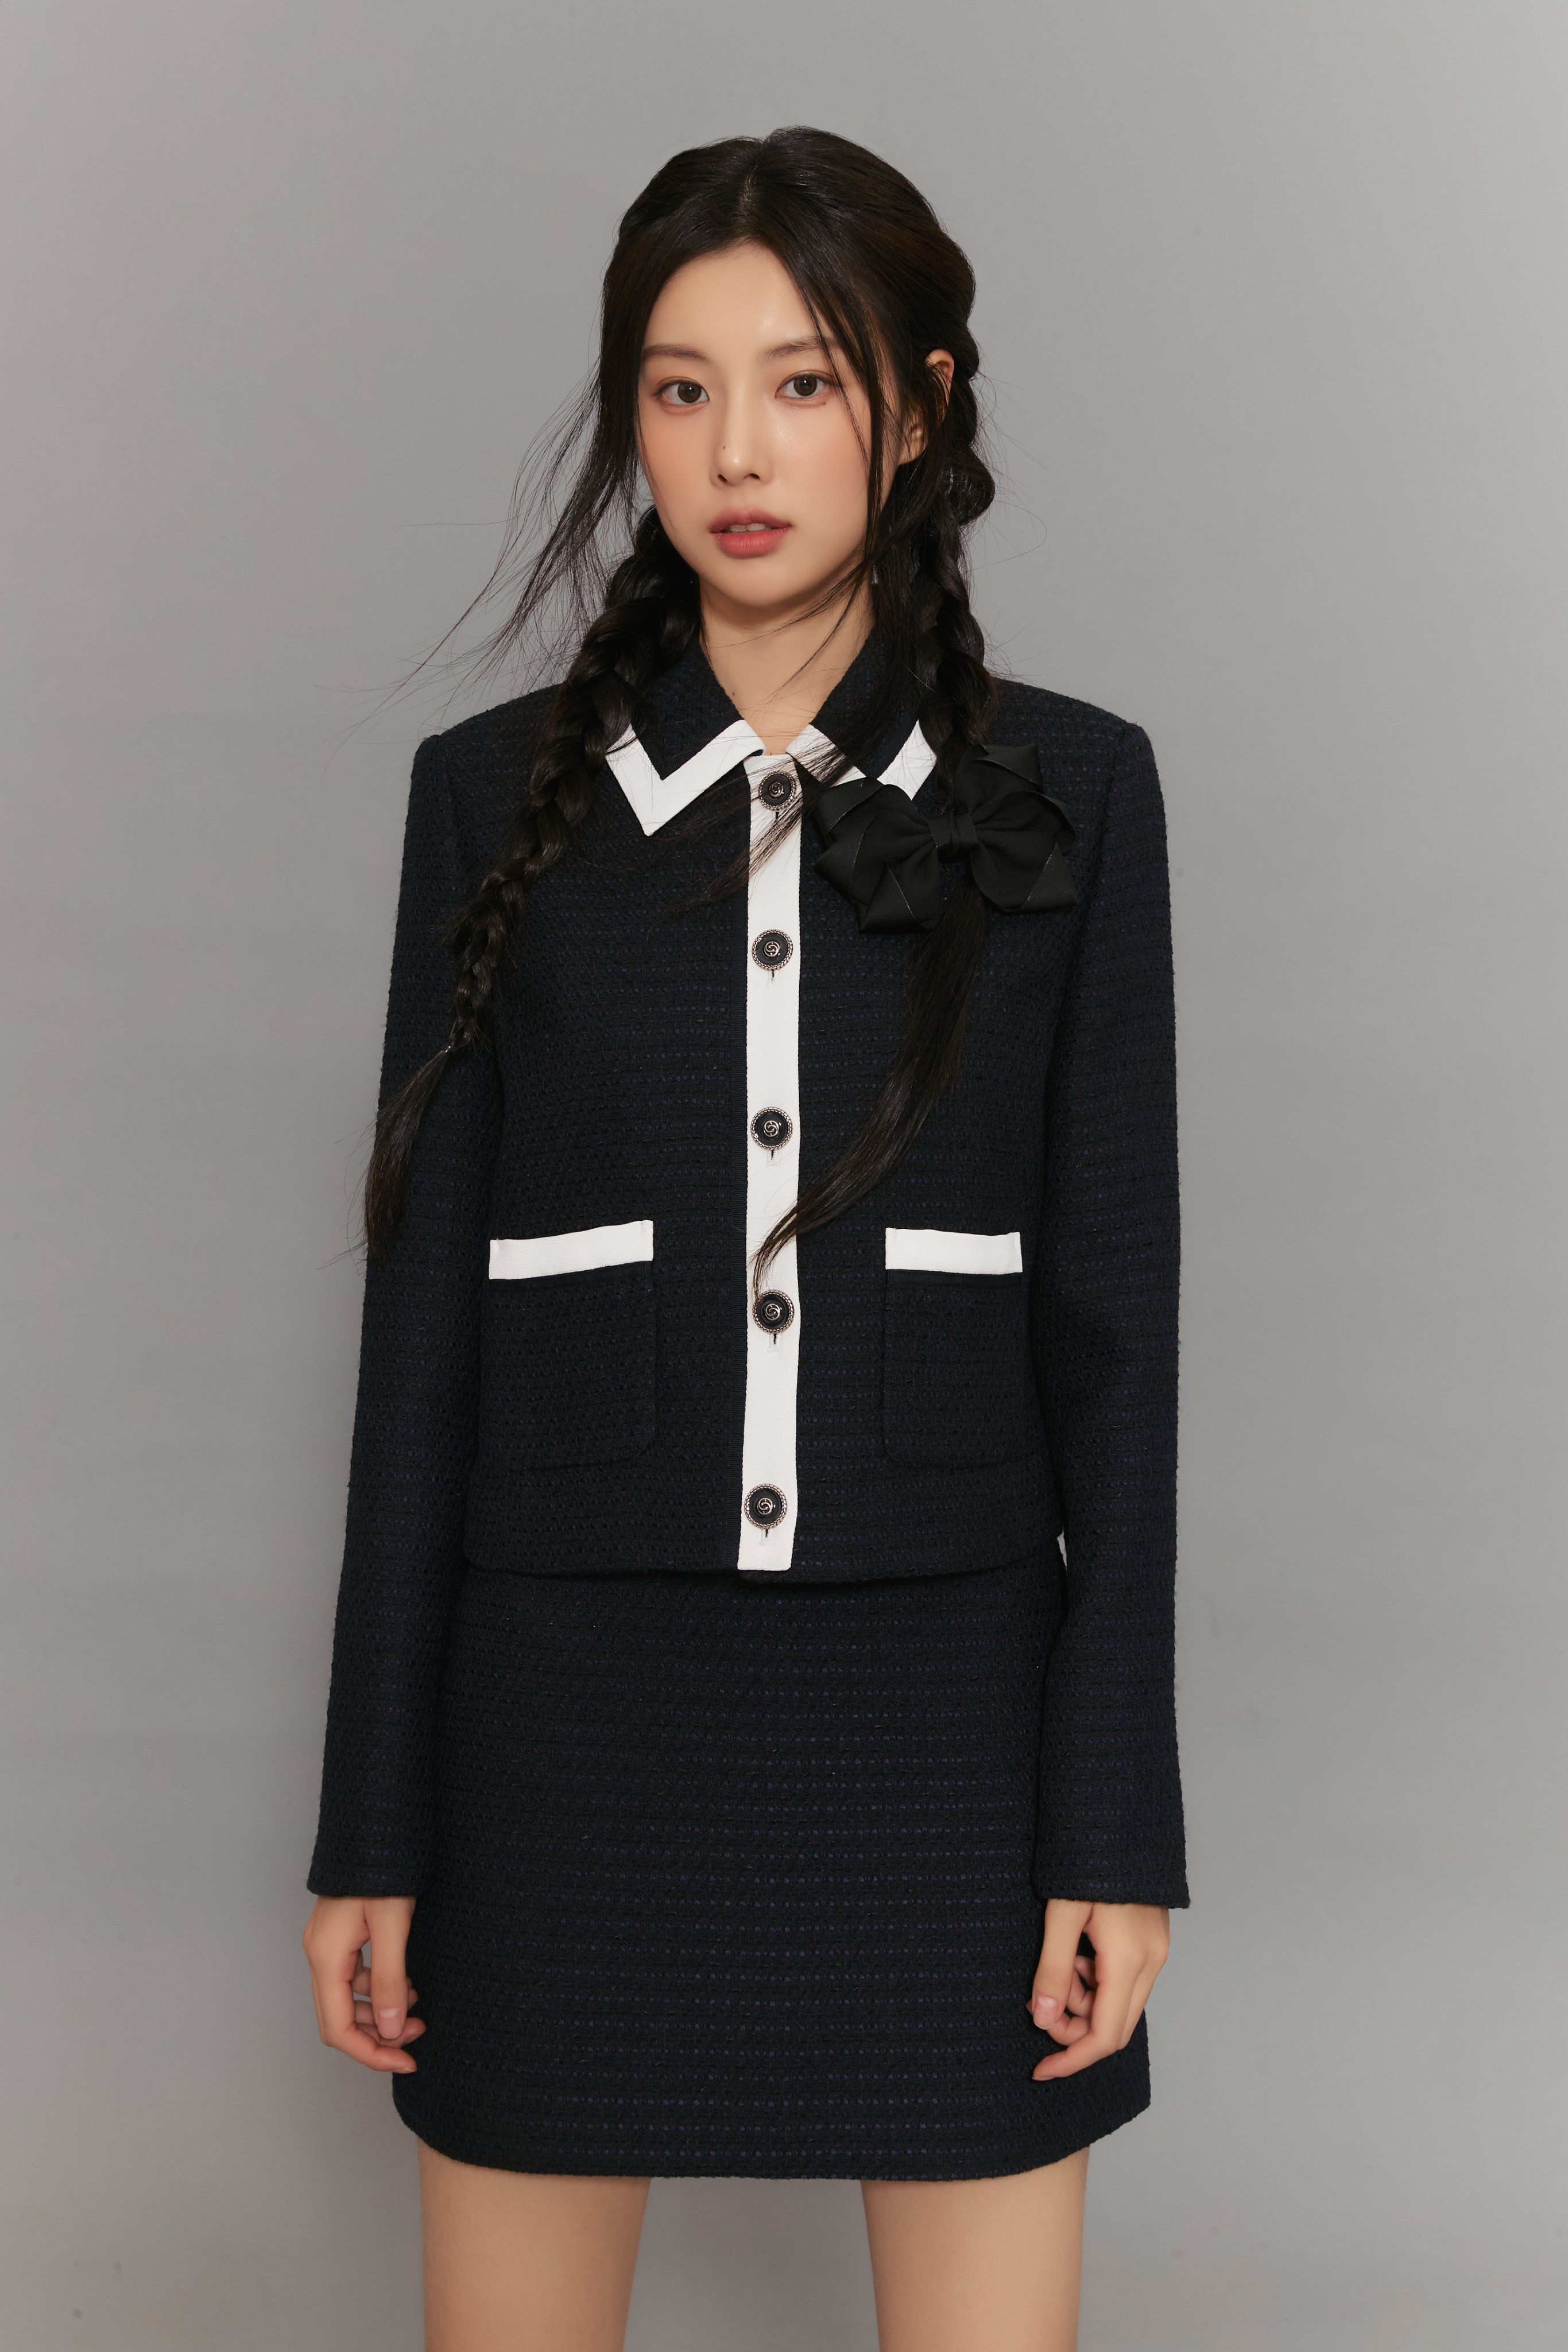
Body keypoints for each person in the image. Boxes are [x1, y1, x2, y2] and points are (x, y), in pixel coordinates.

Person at [302, 125, 1188, 2352]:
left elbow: (1118, 1342)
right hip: (563, 1724)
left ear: (919, 404)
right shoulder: (490, 801)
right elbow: (421, 1354)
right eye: (678, 389)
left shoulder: (1071, 796)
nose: (734, 451)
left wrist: (1112, 1822)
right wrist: (371, 1825)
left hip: (947, 1719)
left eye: (802, 383)